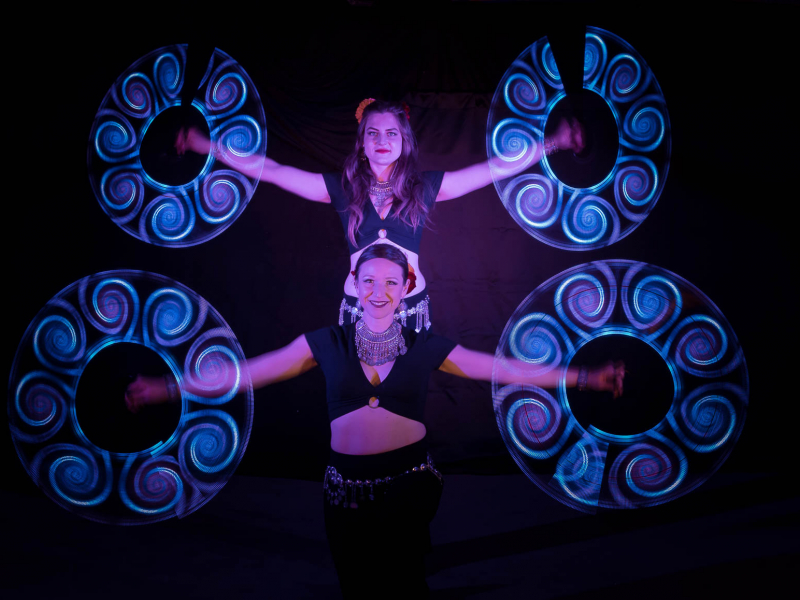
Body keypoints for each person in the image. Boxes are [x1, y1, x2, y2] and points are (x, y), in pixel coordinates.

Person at [126, 244, 623, 598]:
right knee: (358, 585)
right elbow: (248, 373)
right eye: (368, 281)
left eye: (390, 282)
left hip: (410, 485)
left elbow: (499, 368)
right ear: (354, 285)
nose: (379, 292)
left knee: (399, 581)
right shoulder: (326, 342)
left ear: (407, 287)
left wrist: (583, 376)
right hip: (343, 490)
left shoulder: (425, 346)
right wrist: (168, 388)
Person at [176, 99, 584, 331]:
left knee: (401, 407)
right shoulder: (342, 189)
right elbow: (274, 171)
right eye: (373, 133)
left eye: (391, 133)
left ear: (404, 141)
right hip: (358, 313)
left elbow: (491, 170)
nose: (382, 140)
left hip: (410, 312)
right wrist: (203, 145)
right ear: (362, 143)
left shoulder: (424, 187)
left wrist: (555, 142)